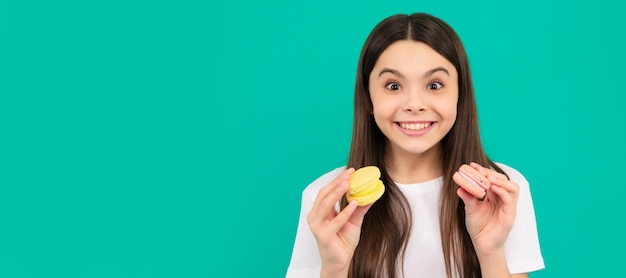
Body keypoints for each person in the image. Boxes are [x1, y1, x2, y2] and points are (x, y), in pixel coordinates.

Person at [285, 13, 545, 278]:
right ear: (368, 98)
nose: (414, 103)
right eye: (393, 85)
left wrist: (491, 253)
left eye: (434, 85)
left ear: (460, 94)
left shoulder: (503, 191)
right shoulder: (325, 203)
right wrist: (334, 269)